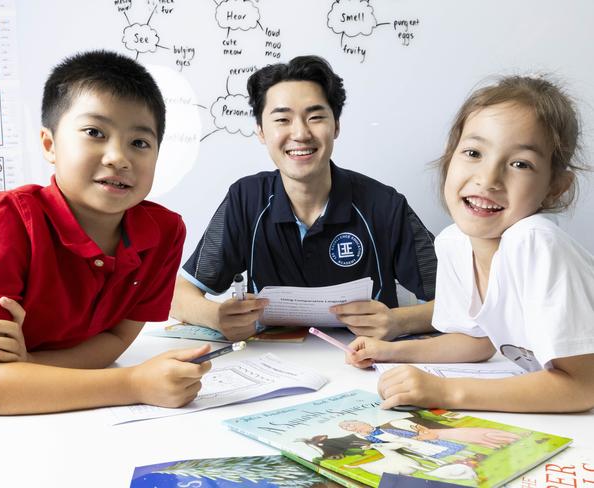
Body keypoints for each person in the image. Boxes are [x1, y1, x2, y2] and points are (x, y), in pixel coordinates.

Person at [0, 50, 212, 446]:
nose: (118, 157)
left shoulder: (164, 231)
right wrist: (134, 383)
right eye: (95, 133)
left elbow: (115, 341)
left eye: (140, 141)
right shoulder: (9, 219)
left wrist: (28, 367)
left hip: (61, 421)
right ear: (49, 144)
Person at [347, 75, 594, 412]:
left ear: (555, 187)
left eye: (520, 164)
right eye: (474, 152)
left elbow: (581, 386)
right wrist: (390, 350)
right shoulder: (455, 243)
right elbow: (477, 342)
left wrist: (446, 392)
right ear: (450, 159)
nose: (488, 178)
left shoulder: (534, 241)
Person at [171, 55, 437, 341]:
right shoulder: (245, 199)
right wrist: (216, 316)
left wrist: (400, 321)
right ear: (261, 131)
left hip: (368, 363)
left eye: (315, 117)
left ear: (336, 125)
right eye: (282, 119)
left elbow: (462, 303)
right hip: (273, 362)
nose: (300, 133)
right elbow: (177, 294)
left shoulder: (384, 205)